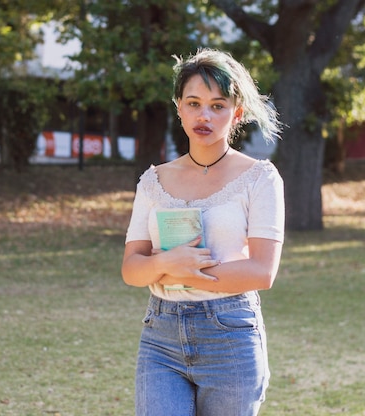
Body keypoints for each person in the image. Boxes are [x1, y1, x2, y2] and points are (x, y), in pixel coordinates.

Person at [121, 48, 285, 416]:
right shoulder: (153, 181)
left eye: (218, 105)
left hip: (231, 334)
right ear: (179, 107)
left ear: (237, 113)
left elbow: (262, 271)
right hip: (160, 336)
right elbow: (132, 269)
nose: (204, 115)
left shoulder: (259, 178)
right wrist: (168, 262)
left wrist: (179, 271)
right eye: (194, 103)